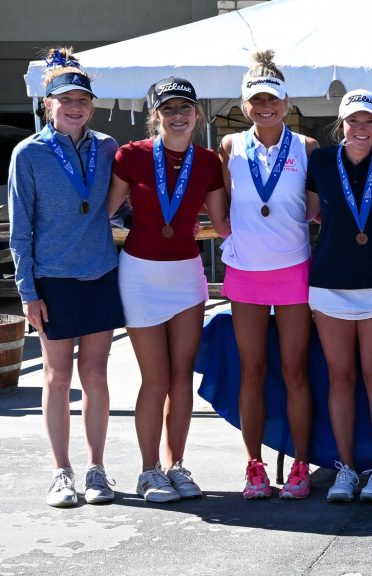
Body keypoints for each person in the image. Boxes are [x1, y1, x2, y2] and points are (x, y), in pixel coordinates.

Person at [8, 47, 124, 508]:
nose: (75, 108)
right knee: (57, 377)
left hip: (99, 273)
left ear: (91, 105)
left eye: (83, 100)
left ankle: (96, 469)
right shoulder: (28, 153)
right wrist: (26, 291)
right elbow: (20, 229)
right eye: (65, 100)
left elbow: (125, 203)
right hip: (52, 279)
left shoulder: (108, 147)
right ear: (47, 103)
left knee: (95, 374)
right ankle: (62, 472)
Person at [108, 77, 229, 503]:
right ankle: (148, 471)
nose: (178, 116)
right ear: (155, 115)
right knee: (155, 378)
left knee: (180, 378)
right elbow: (105, 215)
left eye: (186, 108)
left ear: (196, 114)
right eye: (169, 109)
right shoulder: (131, 156)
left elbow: (222, 224)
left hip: (186, 278)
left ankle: (176, 466)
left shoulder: (209, 160)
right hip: (140, 276)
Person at [218, 50, 319, 499]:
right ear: (245, 106)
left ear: (285, 102)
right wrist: (232, 238)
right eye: (256, 100)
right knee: (252, 370)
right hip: (245, 273)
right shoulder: (230, 146)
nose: (265, 107)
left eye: (272, 99)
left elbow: (315, 211)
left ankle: (299, 464)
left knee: (295, 370)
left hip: (294, 270)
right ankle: (254, 465)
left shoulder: (307, 146)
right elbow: (219, 206)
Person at [305, 89, 372, 502]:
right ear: (341, 124)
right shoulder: (322, 161)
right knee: (341, 378)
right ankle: (345, 469)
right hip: (329, 282)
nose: (361, 129)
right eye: (353, 121)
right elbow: (311, 211)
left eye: (369, 122)